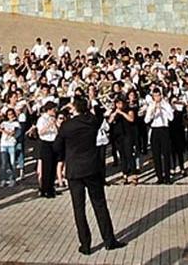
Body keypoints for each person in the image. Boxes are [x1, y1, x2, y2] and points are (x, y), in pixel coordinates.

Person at [53, 96, 126, 255]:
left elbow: (57, 146)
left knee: (79, 208)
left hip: (74, 169)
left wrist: (60, 126)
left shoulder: (67, 126)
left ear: (74, 108)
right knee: (100, 204)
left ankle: (85, 245)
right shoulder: (92, 121)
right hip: (92, 167)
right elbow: (97, 114)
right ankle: (109, 240)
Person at [144, 88, 173, 184]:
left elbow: (171, 118)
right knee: (156, 155)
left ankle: (168, 177)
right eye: (155, 96)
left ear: (161, 95)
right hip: (155, 130)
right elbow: (146, 120)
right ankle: (159, 177)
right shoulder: (151, 106)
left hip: (164, 129)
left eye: (158, 95)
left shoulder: (166, 104)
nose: (157, 98)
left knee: (166, 154)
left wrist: (163, 109)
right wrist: (153, 110)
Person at [37, 101, 59, 197]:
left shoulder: (53, 119)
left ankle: (51, 187)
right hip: (45, 143)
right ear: (49, 110)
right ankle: (44, 189)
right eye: (54, 109)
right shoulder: (42, 119)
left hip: (53, 143)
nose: (55, 111)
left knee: (53, 166)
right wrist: (49, 125)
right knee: (47, 167)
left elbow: (57, 132)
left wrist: (55, 125)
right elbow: (41, 132)